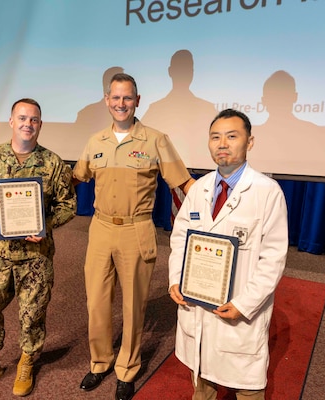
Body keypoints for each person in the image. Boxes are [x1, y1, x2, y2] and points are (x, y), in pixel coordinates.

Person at [73, 73, 195, 400]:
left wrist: (218, 203)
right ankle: (100, 362)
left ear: (137, 101)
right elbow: (74, 179)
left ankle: (127, 367)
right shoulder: (95, 141)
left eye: (127, 98)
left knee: (133, 305)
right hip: (100, 229)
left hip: (136, 229)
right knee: (96, 302)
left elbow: (184, 184)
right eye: (115, 98)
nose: (121, 104)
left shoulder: (155, 140)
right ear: (106, 100)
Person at [168, 109, 288, 400]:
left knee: (247, 387)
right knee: (203, 383)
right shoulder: (199, 190)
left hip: (238, 313)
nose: (222, 144)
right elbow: (180, 237)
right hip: (198, 305)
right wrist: (175, 279)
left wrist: (244, 305)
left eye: (232, 136)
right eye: (215, 137)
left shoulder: (266, 192)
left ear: (250, 142)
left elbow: (273, 258)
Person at [0, 98, 76, 397]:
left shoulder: (54, 163)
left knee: (33, 313)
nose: (28, 124)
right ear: (11, 122)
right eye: (22, 118)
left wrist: (45, 226)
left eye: (34, 119)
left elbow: (68, 205)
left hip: (35, 256)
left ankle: (27, 361)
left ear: (40, 124)